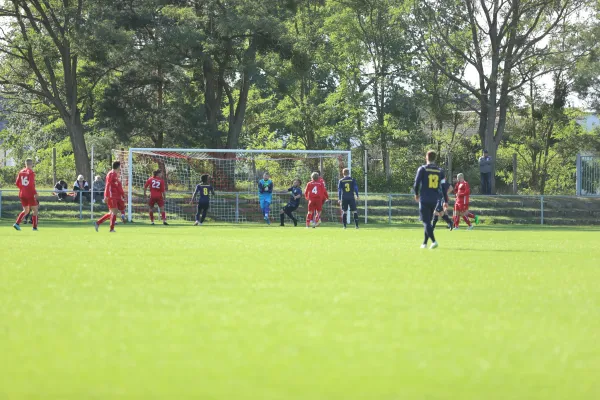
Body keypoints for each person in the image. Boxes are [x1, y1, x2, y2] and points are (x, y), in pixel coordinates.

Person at [413, 150, 448, 249]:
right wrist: (446, 201)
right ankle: (424, 243)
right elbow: (444, 187)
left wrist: (416, 194)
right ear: (435, 158)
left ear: (426, 157)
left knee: (426, 222)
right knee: (428, 221)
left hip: (424, 198)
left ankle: (434, 241)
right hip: (434, 199)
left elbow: (416, 184)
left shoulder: (422, 169)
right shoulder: (440, 171)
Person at [94, 161, 125, 233]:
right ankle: (111, 229)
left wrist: (121, 194)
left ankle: (98, 223)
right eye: (120, 166)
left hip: (113, 195)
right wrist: (106, 196)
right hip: (111, 195)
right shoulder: (111, 174)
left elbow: (116, 186)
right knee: (114, 211)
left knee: (112, 212)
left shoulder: (115, 174)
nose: (120, 168)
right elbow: (108, 185)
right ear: (118, 167)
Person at [14, 158, 39, 231]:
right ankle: (34, 227)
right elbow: (31, 184)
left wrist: (22, 188)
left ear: (25, 164)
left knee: (26, 210)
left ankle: (17, 224)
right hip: (29, 194)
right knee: (35, 210)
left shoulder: (21, 171)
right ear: (31, 164)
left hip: (22, 194)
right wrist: (35, 193)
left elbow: (17, 183)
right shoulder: (31, 172)